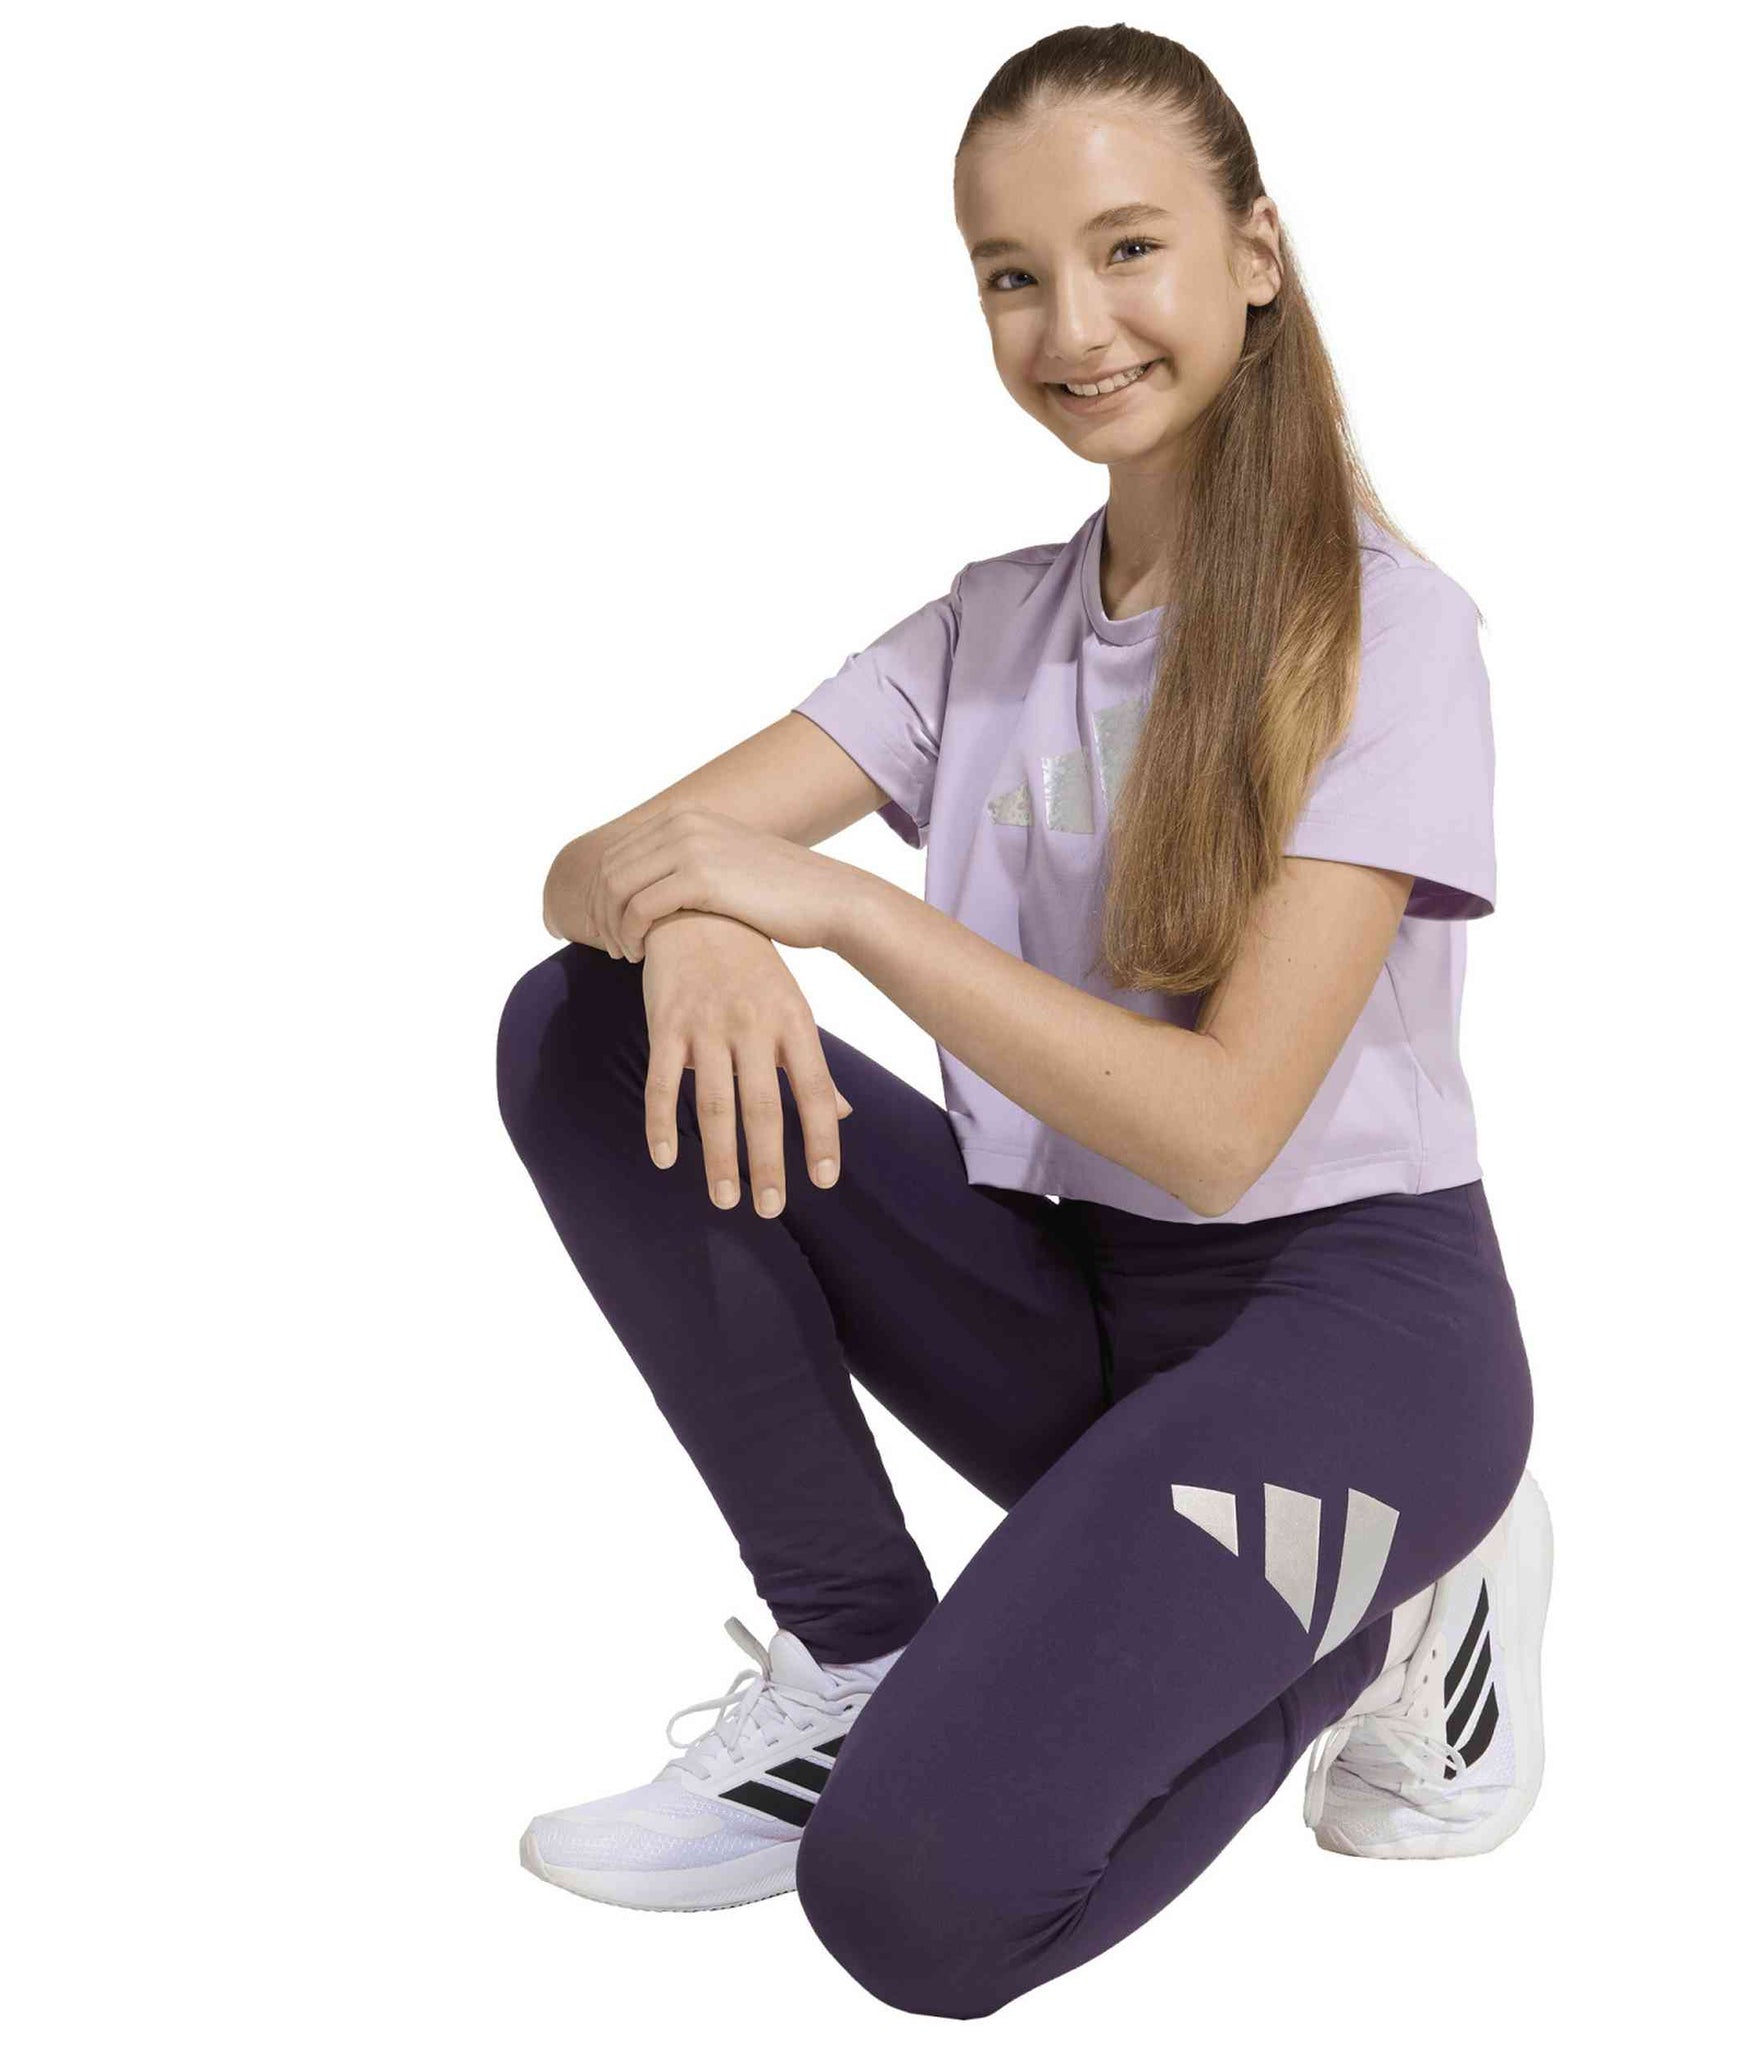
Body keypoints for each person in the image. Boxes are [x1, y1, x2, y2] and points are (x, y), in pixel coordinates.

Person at [495, 22, 1549, 2019]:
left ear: (1254, 253)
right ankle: (853, 1649)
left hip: (1347, 1340)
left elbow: (1224, 1129)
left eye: (1129, 247)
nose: (1073, 325)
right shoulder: (987, 627)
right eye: (1011, 273)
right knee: (583, 1023)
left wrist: (826, 906)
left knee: (913, 1905)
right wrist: (696, 918)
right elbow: (594, 867)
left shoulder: (1388, 635)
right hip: (1074, 1302)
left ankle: (1398, 1590)